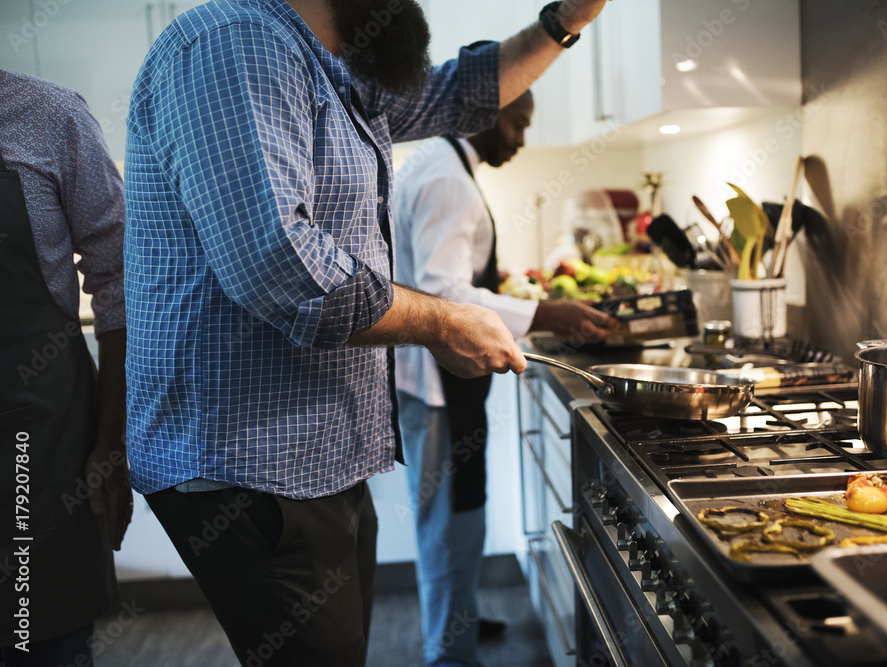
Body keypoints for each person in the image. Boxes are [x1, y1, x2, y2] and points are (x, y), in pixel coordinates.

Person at [123, 0, 612, 664]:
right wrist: (442, 321)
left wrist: (563, 20)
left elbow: (459, 92)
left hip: (320, 453)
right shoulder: (235, 45)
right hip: (249, 461)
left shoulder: (334, 67)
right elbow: (281, 270)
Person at [394, 91, 616, 666]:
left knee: (458, 514)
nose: (520, 138)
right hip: (437, 384)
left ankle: (455, 624)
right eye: (518, 124)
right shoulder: (446, 178)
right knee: (450, 522)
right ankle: (449, 653)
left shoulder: (444, 163)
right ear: (485, 114)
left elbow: (446, 277)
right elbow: (445, 295)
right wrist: (547, 313)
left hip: (438, 381)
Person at [0, 69, 131, 666]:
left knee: (38, 637)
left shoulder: (48, 118)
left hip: (34, 447)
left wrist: (112, 441)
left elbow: (121, 279)